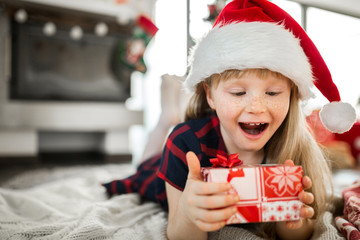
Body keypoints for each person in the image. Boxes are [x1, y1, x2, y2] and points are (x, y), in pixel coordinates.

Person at [105, 0, 356, 239]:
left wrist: (293, 221)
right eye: (238, 93)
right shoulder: (184, 141)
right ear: (210, 96)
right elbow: (180, 234)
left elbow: (298, 233)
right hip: (159, 176)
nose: (256, 107)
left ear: (291, 97)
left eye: (272, 93)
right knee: (145, 164)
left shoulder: (294, 150)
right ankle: (166, 119)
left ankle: (170, 114)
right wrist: (190, 215)